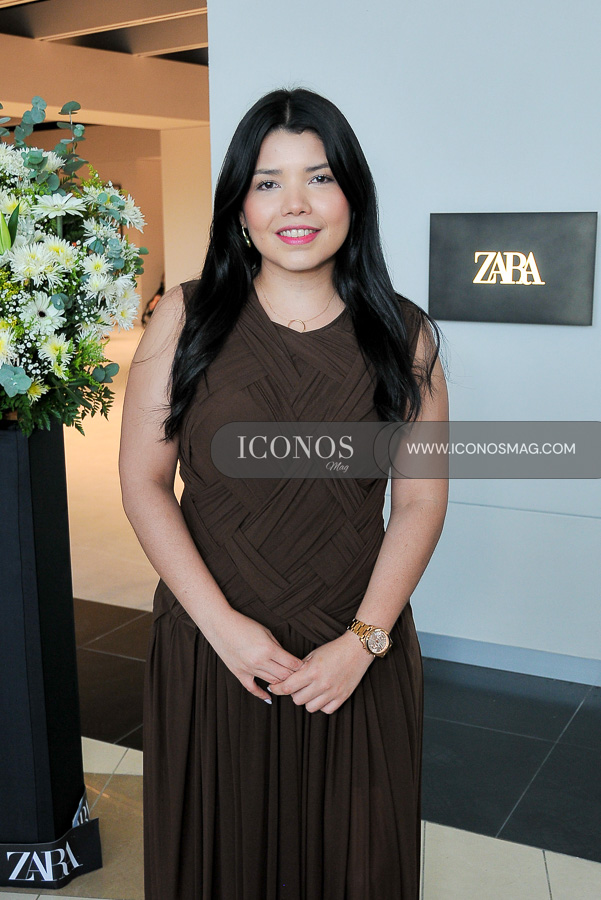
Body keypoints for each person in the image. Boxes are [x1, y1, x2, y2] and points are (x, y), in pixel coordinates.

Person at [119, 87, 448, 900]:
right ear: (239, 205)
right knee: (220, 862)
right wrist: (222, 629)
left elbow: (419, 501)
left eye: (319, 178)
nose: (293, 204)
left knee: (354, 864)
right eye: (268, 182)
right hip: (215, 646)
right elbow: (144, 483)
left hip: (354, 647)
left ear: (352, 198)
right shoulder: (185, 319)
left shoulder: (402, 333)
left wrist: (362, 642)